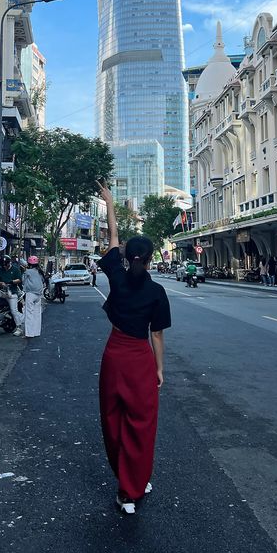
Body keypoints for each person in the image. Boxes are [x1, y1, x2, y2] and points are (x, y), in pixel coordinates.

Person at [96, 180, 171, 515]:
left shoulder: (116, 275)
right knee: (141, 424)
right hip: (140, 358)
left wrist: (109, 201)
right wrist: (158, 368)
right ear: (151, 259)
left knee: (113, 420)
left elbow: (112, 236)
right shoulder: (156, 292)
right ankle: (134, 485)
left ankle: (125, 488)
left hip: (114, 355)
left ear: (126, 256)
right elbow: (157, 336)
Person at [0, 254, 25, 336]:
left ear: (9, 263)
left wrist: (11, 282)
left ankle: (19, 327)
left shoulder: (15, 270)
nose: (5, 267)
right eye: (3, 265)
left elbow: (19, 279)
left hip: (12, 292)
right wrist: (1, 283)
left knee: (14, 311)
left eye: (6, 265)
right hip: (1, 291)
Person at [23, 256, 44, 337]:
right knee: (37, 314)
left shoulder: (27, 272)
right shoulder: (40, 271)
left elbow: (23, 281)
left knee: (29, 313)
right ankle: (36, 332)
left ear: (29, 263)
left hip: (30, 294)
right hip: (39, 294)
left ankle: (29, 333)